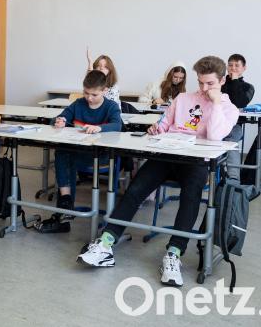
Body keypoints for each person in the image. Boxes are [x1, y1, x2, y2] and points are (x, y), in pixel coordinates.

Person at [77, 56, 238, 287]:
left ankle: (173, 254)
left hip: (196, 162)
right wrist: (157, 128)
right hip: (167, 154)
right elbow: (165, 123)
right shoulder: (183, 98)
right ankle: (106, 243)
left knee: (191, 197)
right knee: (136, 189)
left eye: (210, 84)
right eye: (201, 82)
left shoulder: (229, 109)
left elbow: (214, 135)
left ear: (222, 80)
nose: (203, 89)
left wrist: (215, 103)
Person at [36, 70, 122, 234]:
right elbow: (60, 117)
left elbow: (117, 125)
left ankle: (64, 208)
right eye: (86, 93)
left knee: (66, 159)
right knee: (62, 152)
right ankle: (66, 202)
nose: (89, 98)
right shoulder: (78, 104)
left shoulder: (111, 107)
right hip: (78, 152)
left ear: (104, 91)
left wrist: (99, 128)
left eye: (94, 94)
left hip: (99, 156)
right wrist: (60, 121)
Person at [221, 53, 255, 179]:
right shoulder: (220, 83)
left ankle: (233, 179)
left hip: (234, 126)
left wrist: (235, 80)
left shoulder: (248, 87)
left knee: (230, 142)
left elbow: (239, 102)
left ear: (244, 68)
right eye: (230, 65)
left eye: (237, 65)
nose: (233, 68)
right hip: (216, 122)